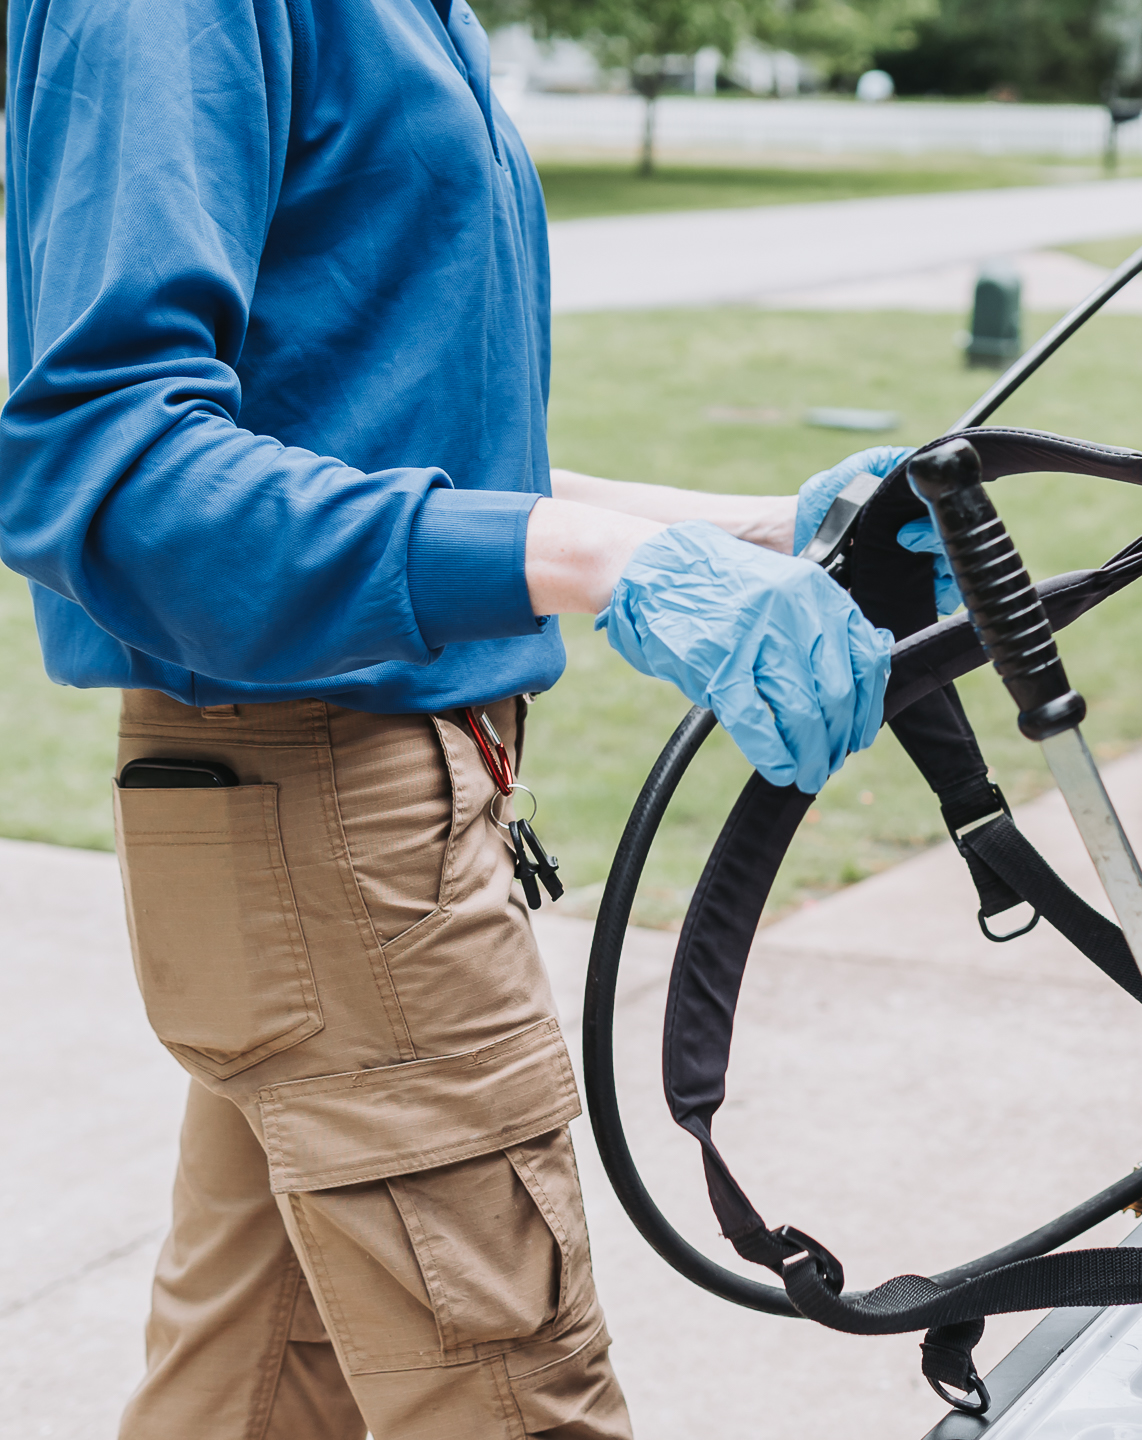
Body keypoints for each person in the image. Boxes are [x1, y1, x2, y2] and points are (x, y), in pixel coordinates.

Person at [0, 3, 935, 1436]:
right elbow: (110, 464)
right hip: (336, 819)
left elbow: (392, 436)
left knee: (250, 1400)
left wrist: (748, 534)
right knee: (516, 1406)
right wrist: (602, 567)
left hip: (347, 827)